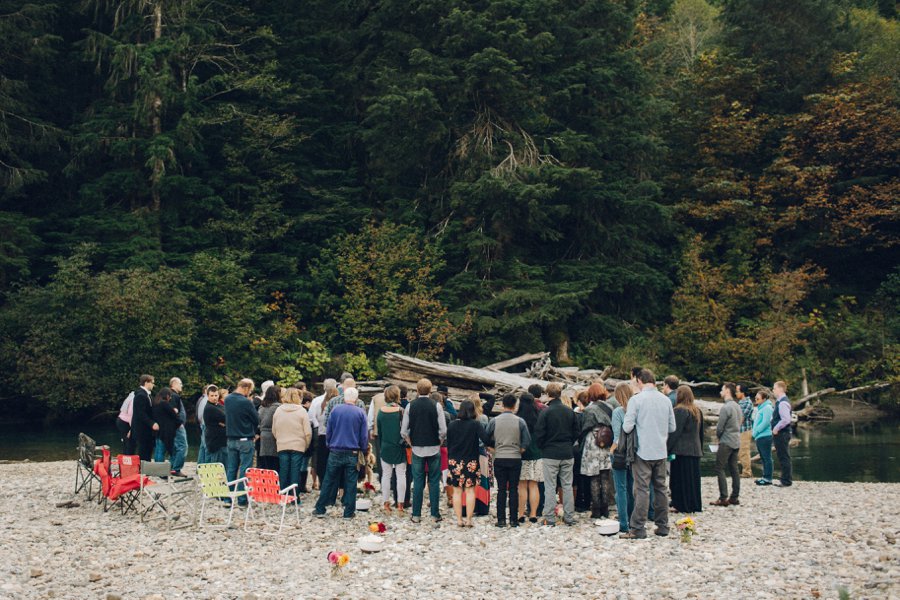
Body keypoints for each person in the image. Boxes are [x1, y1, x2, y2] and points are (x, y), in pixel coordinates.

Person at [620, 369, 675, 540]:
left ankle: (638, 528)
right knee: (661, 489)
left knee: (642, 489)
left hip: (642, 451)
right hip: (660, 450)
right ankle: (663, 525)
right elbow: (672, 427)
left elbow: (627, 427)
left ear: (639, 381)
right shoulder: (665, 400)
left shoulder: (636, 400)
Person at [314, 387, 368, 519]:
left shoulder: (335, 410)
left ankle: (321, 508)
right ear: (356, 398)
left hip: (335, 449)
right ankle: (348, 512)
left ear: (344, 397)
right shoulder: (360, 413)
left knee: (328, 480)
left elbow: (329, 429)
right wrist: (363, 449)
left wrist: (329, 443)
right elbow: (363, 435)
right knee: (351, 482)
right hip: (353, 451)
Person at [401, 378, 447, 525]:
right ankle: (435, 514)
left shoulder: (410, 406)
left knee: (418, 481)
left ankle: (416, 515)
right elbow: (443, 430)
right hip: (434, 447)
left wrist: (410, 442)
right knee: (434, 481)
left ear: (417, 389)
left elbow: (403, 430)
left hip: (417, 448)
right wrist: (440, 440)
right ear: (431, 389)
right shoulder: (437, 406)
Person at [534, 382, 579, 526]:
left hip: (550, 453)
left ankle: (550, 517)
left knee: (550, 486)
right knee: (567, 485)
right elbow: (576, 432)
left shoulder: (545, 412)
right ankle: (569, 517)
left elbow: (539, 433)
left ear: (548, 395)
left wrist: (543, 447)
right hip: (567, 452)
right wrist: (569, 443)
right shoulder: (569, 411)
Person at [486, 394, 531, 528]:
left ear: (502, 405)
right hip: (515, 457)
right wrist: (520, 450)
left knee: (501, 489)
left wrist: (492, 448)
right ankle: (513, 519)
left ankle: (501, 520)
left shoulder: (494, 420)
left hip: (499, 457)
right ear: (515, 405)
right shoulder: (520, 421)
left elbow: (486, 435)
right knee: (513, 489)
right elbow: (527, 440)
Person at [446, 400, 491, 527]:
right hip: (471, 460)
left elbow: (449, 443)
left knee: (457, 491)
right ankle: (469, 520)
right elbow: (486, 439)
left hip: (455, 460)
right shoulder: (475, 424)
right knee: (470, 491)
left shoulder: (452, 424)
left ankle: (459, 519)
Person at [579, 383, 614, 519]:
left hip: (593, 442)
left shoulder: (589, 409)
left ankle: (596, 509)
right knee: (605, 476)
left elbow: (585, 427)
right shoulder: (610, 407)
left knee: (594, 477)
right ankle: (606, 508)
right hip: (606, 442)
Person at [668, 386, 703, 513]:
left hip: (681, 451)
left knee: (679, 480)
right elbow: (700, 433)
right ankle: (694, 503)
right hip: (695, 450)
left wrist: (667, 449)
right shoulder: (697, 410)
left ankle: (681, 504)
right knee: (693, 480)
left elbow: (674, 433)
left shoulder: (680, 411)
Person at [272, 386, 312, 494]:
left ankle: (282, 493)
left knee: (284, 470)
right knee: (295, 471)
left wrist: (279, 439)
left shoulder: (278, 410)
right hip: (298, 445)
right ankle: (294, 496)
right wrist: (306, 444)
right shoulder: (302, 411)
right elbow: (307, 432)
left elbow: (274, 430)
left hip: (282, 444)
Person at [225, 379, 258, 506]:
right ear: (246, 388)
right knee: (245, 469)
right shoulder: (246, 402)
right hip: (245, 439)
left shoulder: (227, 399)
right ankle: (242, 499)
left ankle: (228, 498)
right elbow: (256, 419)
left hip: (231, 438)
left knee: (231, 468)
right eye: (250, 390)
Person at [711, 382, 742, 507]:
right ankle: (734, 496)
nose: (720, 392)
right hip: (736, 440)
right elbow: (740, 421)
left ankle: (723, 497)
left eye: (722, 390)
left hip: (726, 441)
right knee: (734, 468)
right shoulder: (737, 406)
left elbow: (720, 427)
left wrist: (718, 437)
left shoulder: (726, 407)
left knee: (719, 468)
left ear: (728, 391)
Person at [376, 385, 406, 513]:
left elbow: (380, 431)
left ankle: (386, 503)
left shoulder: (380, 412)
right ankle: (400, 504)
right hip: (399, 446)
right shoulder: (401, 411)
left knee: (386, 476)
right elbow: (405, 430)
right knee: (401, 475)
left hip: (386, 445)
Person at [610, 382, 634, 533]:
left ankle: (623, 522)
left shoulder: (618, 412)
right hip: (635, 453)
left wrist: (611, 451)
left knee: (621, 488)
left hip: (620, 453)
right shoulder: (637, 410)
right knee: (632, 487)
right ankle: (633, 520)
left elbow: (617, 436)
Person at [516, 392, 543, 524]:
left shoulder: (518, 418)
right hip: (537, 454)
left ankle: (521, 513)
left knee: (522, 485)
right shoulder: (539, 416)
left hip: (522, 454)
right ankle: (533, 513)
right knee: (534, 485)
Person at [310, 378, 338, 491]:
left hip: (321, 433)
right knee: (334, 460)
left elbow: (311, 416)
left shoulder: (317, 401)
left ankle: (323, 483)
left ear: (323, 387)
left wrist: (317, 426)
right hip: (335, 435)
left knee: (321, 459)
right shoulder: (338, 400)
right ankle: (334, 484)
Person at [131, 375, 158, 461]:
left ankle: (146, 465)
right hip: (142, 428)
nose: (153, 385)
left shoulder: (148, 395)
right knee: (143, 448)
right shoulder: (140, 395)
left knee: (148, 447)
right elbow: (141, 413)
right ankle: (142, 467)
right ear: (146, 382)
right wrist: (152, 423)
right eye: (152, 383)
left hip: (147, 428)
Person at [152, 387, 181, 468]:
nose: (170, 397)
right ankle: (161, 469)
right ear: (166, 395)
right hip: (165, 430)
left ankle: (157, 467)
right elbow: (173, 415)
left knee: (158, 450)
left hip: (158, 429)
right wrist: (175, 411)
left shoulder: (155, 403)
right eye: (170, 396)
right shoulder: (164, 404)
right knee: (163, 450)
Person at [771, 381, 793, 487]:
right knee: (782, 456)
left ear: (780, 389)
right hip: (782, 433)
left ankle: (786, 480)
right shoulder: (780, 401)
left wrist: (776, 428)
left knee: (784, 457)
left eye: (774, 388)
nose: (773, 390)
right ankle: (785, 479)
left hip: (782, 433)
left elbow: (786, 419)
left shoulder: (783, 403)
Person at [752, 391, 774, 486]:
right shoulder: (761, 408)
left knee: (767, 457)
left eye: (758, 399)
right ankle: (764, 477)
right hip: (760, 436)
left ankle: (767, 478)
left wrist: (756, 432)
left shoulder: (767, 408)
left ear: (764, 399)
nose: (756, 400)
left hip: (765, 436)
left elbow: (765, 422)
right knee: (763, 458)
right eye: (755, 398)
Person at [257, 384, 282, 471]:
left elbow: (258, 421)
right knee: (274, 465)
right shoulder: (278, 407)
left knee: (265, 464)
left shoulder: (261, 407)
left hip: (263, 436)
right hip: (273, 436)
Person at [168, 377, 189, 476]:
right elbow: (172, 412)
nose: (181, 385)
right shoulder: (174, 396)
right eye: (180, 383)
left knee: (176, 447)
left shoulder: (171, 395)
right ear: (174, 384)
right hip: (177, 426)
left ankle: (171, 467)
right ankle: (176, 469)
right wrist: (179, 422)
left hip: (173, 426)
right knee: (183, 447)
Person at [203, 386, 227, 465]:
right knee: (217, 467)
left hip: (222, 441)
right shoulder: (210, 408)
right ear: (208, 396)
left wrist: (223, 423)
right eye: (212, 396)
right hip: (216, 443)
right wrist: (223, 423)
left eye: (216, 395)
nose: (214, 398)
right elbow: (227, 418)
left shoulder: (218, 406)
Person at [737, 384, 755, 478]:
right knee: (740, 452)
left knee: (744, 451)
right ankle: (747, 471)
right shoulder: (741, 402)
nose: (736, 393)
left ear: (742, 392)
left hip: (745, 430)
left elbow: (741, 418)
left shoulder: (748, 402)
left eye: (737, 391)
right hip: (740, 430)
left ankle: (747, 472)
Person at [195, 385, 211, 465]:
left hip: (202, 424)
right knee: (206, 447)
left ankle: (200, 465)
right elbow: (201, 415)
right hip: (205, 425)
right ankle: (206, 466)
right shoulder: (205, 400)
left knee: (202, 447)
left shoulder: (201, 399)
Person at [116, 390, 135, 455]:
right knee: (129, 443)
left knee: (126, 442)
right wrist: (131, 429)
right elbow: (131, 415)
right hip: (124, 422)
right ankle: (128, 460)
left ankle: (126, 458)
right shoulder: (133, 400)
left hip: (121, 420)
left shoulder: (131, 397)